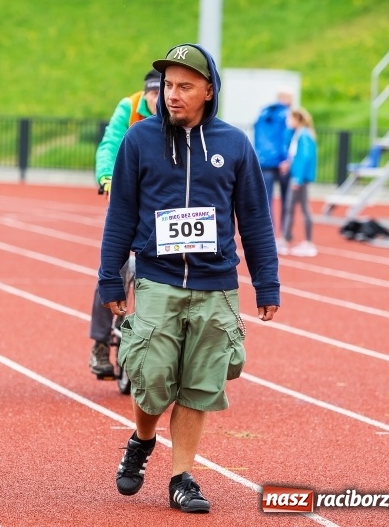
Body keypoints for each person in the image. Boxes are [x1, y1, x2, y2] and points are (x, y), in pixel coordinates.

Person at [98, 43, 280, 514]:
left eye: (184, 86)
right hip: (157, 279)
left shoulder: (234, 144)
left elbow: (255, 218)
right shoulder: (139, 140)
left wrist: (267, 282)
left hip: (216, 285)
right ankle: (143, 439)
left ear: (208, 91)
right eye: (167, 86)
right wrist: (109, 278)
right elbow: (120, 214)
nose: (171, 95)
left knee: (200, 385)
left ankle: (182, 477)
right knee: (150, 378)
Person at [89, 69, 160, 378]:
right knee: (113, 268)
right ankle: (100, 343)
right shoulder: (129, 108)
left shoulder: (181, 112)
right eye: (154, 94)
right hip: (128, 192)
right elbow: (109, 144)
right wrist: (107, 177)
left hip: (161, 198)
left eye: (162, 93)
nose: (159, 100)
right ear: (146, 94)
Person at [253, 87, 293, 237]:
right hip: (281, 163)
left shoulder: (263, 113)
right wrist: (285, 159)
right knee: (286, 200)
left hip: (264, 161)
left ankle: (269, 234)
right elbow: (285, 138)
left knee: (266, 201)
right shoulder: (286, 114)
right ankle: (285, 234)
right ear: (286, 98)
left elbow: (258, 137)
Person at [279, 107, 318, 256]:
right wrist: (288, 164)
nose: (287, 121)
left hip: (299, 178)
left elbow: (304, 157)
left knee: (295, 208)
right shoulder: (299, 134)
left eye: (290, 118)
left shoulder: (304, 135)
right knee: (294, 207)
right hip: (298, 176)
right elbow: (295, 155)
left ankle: (300, 241)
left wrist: (298, 178)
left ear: (297, 119)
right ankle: (288, 239)